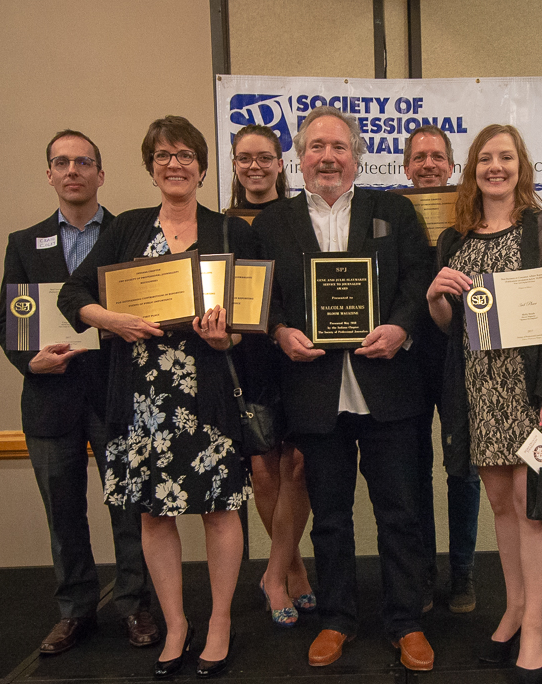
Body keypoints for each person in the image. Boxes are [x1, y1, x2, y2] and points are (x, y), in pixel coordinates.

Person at [58, 115, 257, 678]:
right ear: (150, 167)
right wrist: (111, 320)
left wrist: (228, 336)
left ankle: (219, 623)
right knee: (152, 513)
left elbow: (252, 319)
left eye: (186, 155)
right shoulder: (125, 230)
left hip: (208, 397)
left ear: (201, 165)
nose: (175, 164)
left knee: (220, 510)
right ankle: (176, 625)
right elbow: (75, 292)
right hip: (139, 399)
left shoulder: (229, 232)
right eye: (164, 155)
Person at [253, 106, 435, 671]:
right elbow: (265, 300)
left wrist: (402, 327)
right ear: (299, 158)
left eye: (338, 146)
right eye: (315, 147)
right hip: (314, 391)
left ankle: (406, 622)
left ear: (356, 156)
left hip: (390, 388)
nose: (327, 157)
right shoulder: (272, 225)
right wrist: (280, 332)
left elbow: (417, 279)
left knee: (400, 512)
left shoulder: (393, 211)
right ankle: (336, 618)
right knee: (330, 517)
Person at [0, 129, 157, 655]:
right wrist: (30, 361)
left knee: (129, 508)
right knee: (62, 512)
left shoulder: (131, 234)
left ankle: (135, 606)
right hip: (49, 397)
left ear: (100, 174)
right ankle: (75, 611)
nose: (72, 171)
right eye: (61, 163)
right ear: (49, 174)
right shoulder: (24, 242)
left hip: (117, 393)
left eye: (83, 162)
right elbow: (8, 323)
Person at [428, 124, 542, 684]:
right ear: (472, 169)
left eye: (506, 157)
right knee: (500, 505)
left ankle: (534, 624)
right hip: (479, 390)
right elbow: (450, 328)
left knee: (533, 504)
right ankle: (514, 607)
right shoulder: (454, 240)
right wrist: (434, 298)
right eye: (486, 158)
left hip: (534, 388)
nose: (496, 166)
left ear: (521, 165)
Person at [229, 125, 315, 628]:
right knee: (264, 469)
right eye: (245, 158)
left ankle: (276, 570)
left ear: (282, 162)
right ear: (235, 164)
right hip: (248, 356)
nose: (255, 166)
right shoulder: (222, 225)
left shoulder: (299, 217)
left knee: (298, 465)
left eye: (265, 157)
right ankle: (290, 572)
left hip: (300, 353)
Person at [403, 125, 481, 614]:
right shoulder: (389, 217)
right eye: (419, 158)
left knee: (463, 472)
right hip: (407, 360)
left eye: (437, 157)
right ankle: (424, 574)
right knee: (414, 472)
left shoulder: (472, 221)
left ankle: (463, 575)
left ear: (452, 168)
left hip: (461, 358)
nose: (428, 164)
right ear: (405, 168)